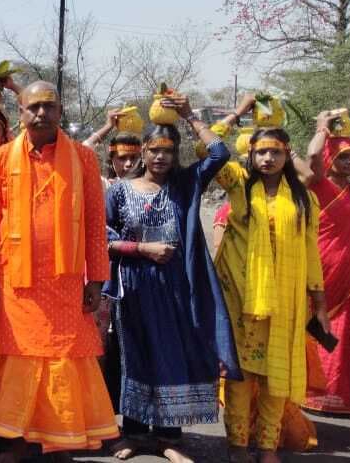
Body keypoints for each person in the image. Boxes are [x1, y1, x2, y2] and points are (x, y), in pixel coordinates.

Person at [0, 81, 118, 462]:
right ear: (19, 113)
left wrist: (98, 279)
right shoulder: (1, 159)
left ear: (59, 110)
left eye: (48, 106)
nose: (41, 113)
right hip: (16, 282)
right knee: (20, 360)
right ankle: (19, 441)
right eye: (33, 107)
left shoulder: (84, 159)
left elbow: (94, 224)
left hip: (67, 282)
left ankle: (62, 438)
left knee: (64, 359)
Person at [103, 101, 242, 462]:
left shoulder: (185, 184)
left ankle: (168, 438)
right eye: (154, 150)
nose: (161, 157)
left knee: (172, 354)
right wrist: (141, 248)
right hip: (134, 286)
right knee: (136, 355)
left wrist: (190, 115)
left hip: (178, 286)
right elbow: (102, 238)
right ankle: (133, 434)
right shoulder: (119, 191)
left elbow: (219, 152)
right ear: (143, 152)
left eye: (168, 150)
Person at [213, 127, 329, 463]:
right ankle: (236, 445)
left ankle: (267, 448)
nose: (267, 158)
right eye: (261, 152)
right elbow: (209, 153)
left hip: (285, 301)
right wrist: (201, 116)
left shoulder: (304, 199)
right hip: (241, 300)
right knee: (239, 377)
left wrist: (319, 303)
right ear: (250, 154)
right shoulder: (238, 186)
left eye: (275, 152)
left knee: (274, 377)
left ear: (287, 153)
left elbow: (311, 253)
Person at [303, 113, 350, 416]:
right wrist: (322, 129)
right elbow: (313, 153)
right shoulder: (319, 186)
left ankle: (346, 397)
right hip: (323, 278)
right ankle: (317, 394)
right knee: (323, 332)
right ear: (330, 158)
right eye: (344, 156)